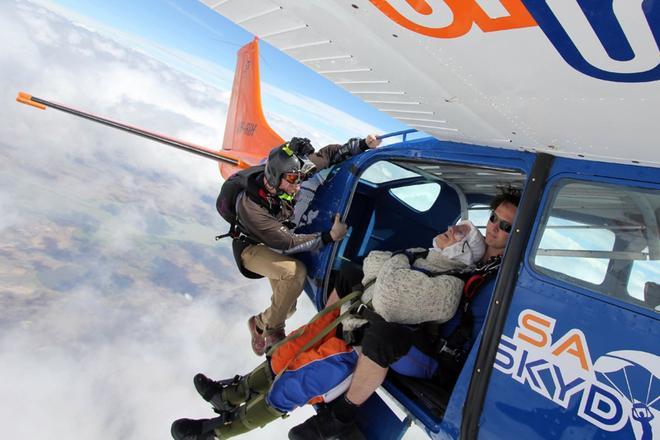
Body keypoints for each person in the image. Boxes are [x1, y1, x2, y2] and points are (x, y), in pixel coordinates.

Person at [170, 221, 488, 440]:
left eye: (460, 233)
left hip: (369, 342)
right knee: (289, 349)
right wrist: (397, 265)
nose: (451, 230)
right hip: (355, 318)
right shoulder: (421, 256)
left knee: (297, 381)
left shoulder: (449, 286)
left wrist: (399, 259)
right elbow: (373, 264)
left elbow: (391, 291)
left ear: (463, 253)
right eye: (456, 226)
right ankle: (230, 395)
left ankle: (218, 431)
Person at [288, 188, 520, 439]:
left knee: (382, 335)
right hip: (418, 315)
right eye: (494, 218)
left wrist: (399, 260)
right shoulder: (468, 243)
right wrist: (402, 263)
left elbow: (408, 292)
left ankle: (338, 418)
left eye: (506, 226)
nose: (494, 228)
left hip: (435, 344)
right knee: (349, 277)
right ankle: (314, 342)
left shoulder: (497, 274)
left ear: (517, 234)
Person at [237, 134, 381, 356]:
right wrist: (329, 236)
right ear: (276, 177)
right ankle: (273, 331)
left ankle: (259, 324)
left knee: (287, 307)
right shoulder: (252, 207)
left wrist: (362, 145)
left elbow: (331, 154)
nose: (298, 184)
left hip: (277, 245)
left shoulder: (300, 175)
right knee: (295, 274)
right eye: (293, 180)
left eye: (300, 177)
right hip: (254, 247)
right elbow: (286, 242)